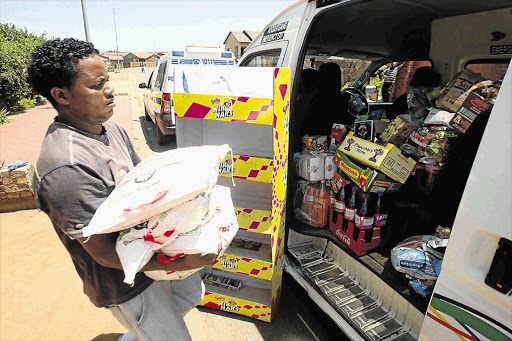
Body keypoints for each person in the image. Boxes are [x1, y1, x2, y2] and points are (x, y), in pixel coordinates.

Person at [27, 38, 216, 341]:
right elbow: (103, 254)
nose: (110, 89)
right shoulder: (66, 167)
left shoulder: (108, 127)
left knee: (190, 295)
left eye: (108, 79)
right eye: (96, 84)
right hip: (124, 281)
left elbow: (145, 180)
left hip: (154, 251)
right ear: (61, 95)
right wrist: (182, 262)